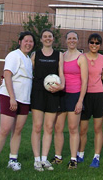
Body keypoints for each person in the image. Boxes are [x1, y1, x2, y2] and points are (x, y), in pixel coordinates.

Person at [0, 31, 35, 173]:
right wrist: (12, 98)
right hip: (10, 97)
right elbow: (7, 76)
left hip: (24, 99)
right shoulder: (14, 55)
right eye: (26, 41)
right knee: (5, 129)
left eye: (31, 41)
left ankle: (13, 160)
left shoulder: (27, 59)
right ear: (19, 42)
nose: (28, 43)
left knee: (18, 130)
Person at [51, 31, 88, 169]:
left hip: (75, 95)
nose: (72, 40)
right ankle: (58, 157)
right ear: (65, 40)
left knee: (73, 128)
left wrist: (80, 101)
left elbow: (85, 81)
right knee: (58, 127)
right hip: (62, 95)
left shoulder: (81, 57)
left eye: (74, 38)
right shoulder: (62, 55)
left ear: (78, 40)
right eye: (69, 38)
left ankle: (73, 159)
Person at [30, 29, 65, 171]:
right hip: (38, 93)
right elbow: (28, 73)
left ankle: (45, 159)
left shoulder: (59, 55)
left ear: (53, 39)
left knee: (49, 127)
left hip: (53, 93)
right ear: (41, 39)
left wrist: (61, 86)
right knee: (37, 126)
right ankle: (36, 160)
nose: (47, 38)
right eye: (45, 36)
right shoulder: (35, 55)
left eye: (50, 36)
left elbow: (61, 73)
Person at [77, 33, 103, 168]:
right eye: (92, 42)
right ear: (88, 43)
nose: (94, 45)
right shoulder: (81, 57)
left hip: (99, 95)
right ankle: (80, 154)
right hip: (85, 95)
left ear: (100, 45)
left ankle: (96, 157)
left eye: (97, 43)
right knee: (82, 129)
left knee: (97, 128)